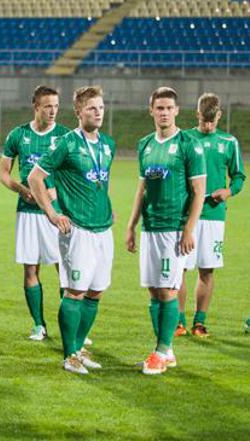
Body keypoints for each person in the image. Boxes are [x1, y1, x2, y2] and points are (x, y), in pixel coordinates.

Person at [28, 86, 115, 375]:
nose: (98, 113)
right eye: (92, 108)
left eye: (101, 107)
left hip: (104, 229)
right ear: (78, 111)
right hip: (77, 230)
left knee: (96, 292)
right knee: (75, 291)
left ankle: (78, 348)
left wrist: (107, 205)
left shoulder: (108, 144)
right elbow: (35, 177)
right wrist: (52, 213)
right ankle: (69, 356)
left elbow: (100, 180)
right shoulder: (66, 143)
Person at [125, 87, 206, 375]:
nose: (164, 113)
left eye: (169, 108)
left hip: (174, 229)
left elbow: (199, 192)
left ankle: (160, 352)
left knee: (168, 290)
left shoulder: (189, 145)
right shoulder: (145, 144)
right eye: (159, 108)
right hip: (150, 228)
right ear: (151, 110)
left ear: (177, 111)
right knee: (153, 290)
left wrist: (189, 230)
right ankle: (166, 351)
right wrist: (131, 225)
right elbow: (142, 189)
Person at [0, 85, 70, 341]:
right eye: (48, 106)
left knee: (65, 270)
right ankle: (39, 325)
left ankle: (69, 326)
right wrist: (21, 190)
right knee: (31, 270)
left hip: (58, 212)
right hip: (28, 213)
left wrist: (57, 191)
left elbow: (75, 173)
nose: (53, 111)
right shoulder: (18, 135)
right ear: (36, 107)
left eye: (56, 106)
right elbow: (3, 174)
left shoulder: (65, 136)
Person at [175, 93, 245, 337]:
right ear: (197, 115)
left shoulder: (229, 142)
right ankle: (178, 322)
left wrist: (228, 191)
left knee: (207, 269)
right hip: (186, 215)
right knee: (180, 269)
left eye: (211, 121)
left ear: (219, 116)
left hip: (214, 216)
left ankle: (200, 322)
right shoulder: (184, 138)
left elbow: (239, 176)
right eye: (203, 121)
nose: (207, 126)